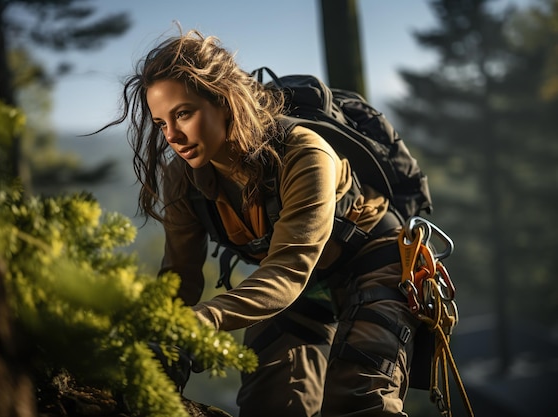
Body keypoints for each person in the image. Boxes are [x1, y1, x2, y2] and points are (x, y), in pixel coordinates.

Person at [107, 29, 422, 417]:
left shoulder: (305, 153)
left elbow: (288, 272)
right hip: (294, 285)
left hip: (374, 263)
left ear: (224, 102)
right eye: (160, 123)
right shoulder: (183, 178)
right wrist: (161, 341)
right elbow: (180, 278)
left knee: (358, 399)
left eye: (183, 113)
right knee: (269, 402)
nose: (172, 135)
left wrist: (201, 322)